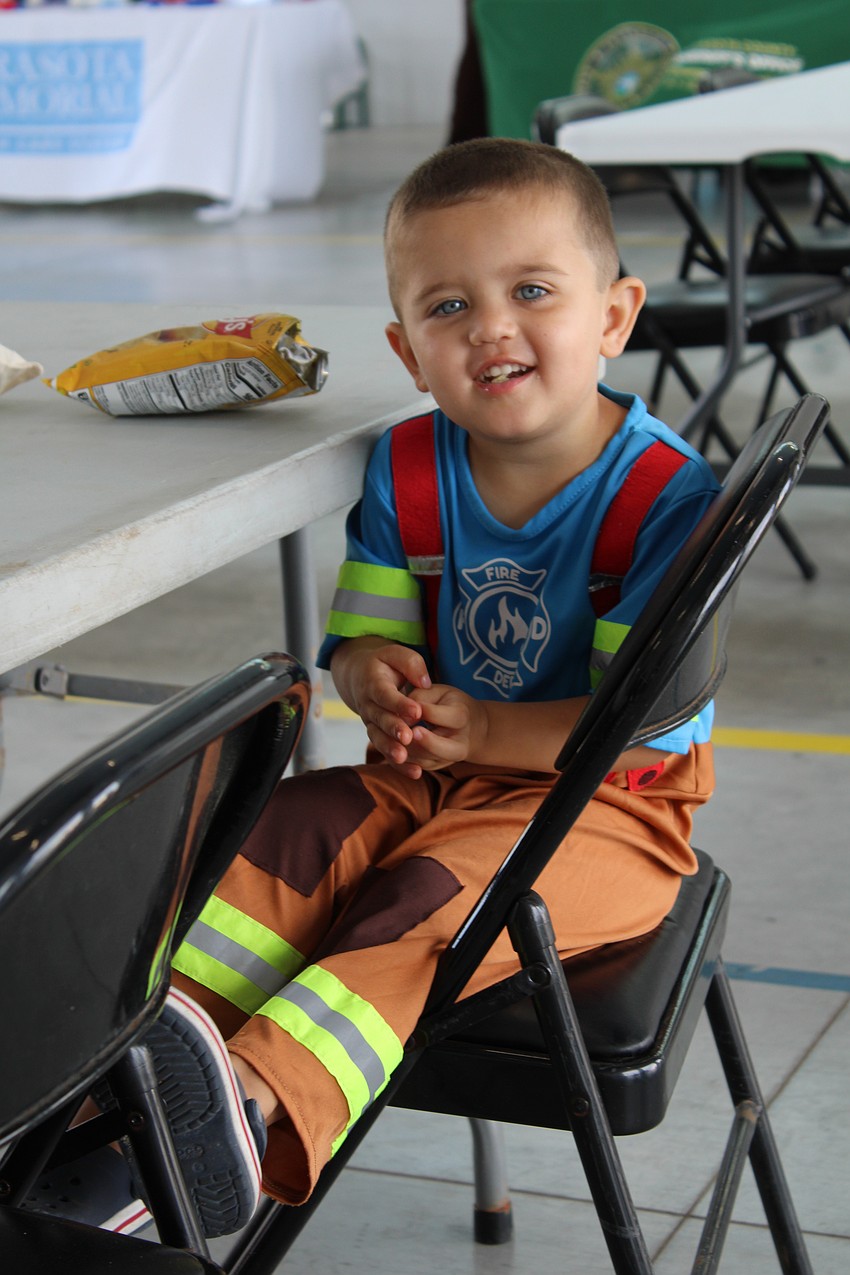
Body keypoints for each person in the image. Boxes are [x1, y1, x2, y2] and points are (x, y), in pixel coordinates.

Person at [26, 138, 720, 1237]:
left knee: (426, 902)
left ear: (612, 315)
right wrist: (372, 678)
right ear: (408, 351)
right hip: (430, 775)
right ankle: (106, 1097)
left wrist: (484, 724)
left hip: (606, 811)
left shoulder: (665, 499)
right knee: (268, 837)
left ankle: (243, 1118)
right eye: (449, 306)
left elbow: (637, 730)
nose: (490, 326)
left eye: (531, 291)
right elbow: (364, 637)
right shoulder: (408, 470)